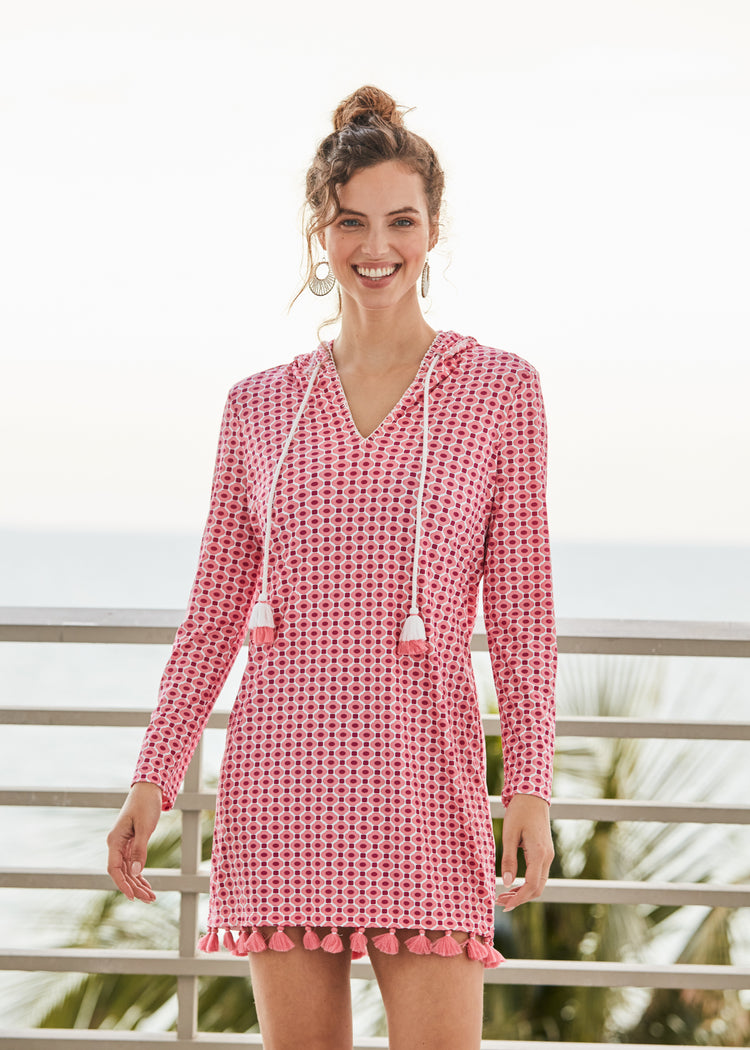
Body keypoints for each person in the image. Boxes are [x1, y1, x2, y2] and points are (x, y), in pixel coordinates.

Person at [106, 85, 556, 1050]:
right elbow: (213, 615)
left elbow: (523, 616)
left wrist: (530, 784)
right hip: (282, 782)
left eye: (401, 221)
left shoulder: (499, 392)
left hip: (423, 785)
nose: (376, 246)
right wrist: (153, 777)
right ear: (322, 230)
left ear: (433, 229)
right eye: (352, 221)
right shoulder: (257, 407)